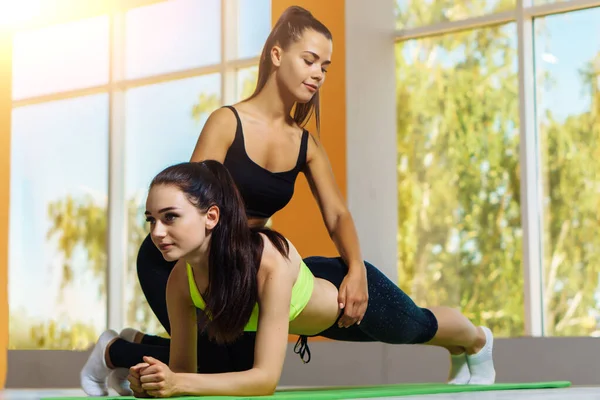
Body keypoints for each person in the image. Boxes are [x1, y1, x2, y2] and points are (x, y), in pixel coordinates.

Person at [79, 5, 475, 396]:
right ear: (276, 55)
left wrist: (355, 269)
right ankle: (117, 352)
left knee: (412, 325)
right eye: (309, 60)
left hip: (252, 266)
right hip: (189, 261)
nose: (318, 72)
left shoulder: (305, 145)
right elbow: (191, 196)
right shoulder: (226, 122)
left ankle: (477, 342)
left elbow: (337, 215)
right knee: (217, 365)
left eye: (325, 65)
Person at [126, 160, 495, 398]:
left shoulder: (265, 263)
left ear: (211, 217)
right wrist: (157, 383)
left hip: (341, 300)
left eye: (170, 217)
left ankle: (477, 341)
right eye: (151, 220)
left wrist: (178, 382)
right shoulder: (180, 281)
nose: (157, 232)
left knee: (416, 327)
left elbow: (265, 381)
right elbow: (185, 373)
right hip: (306, 303)